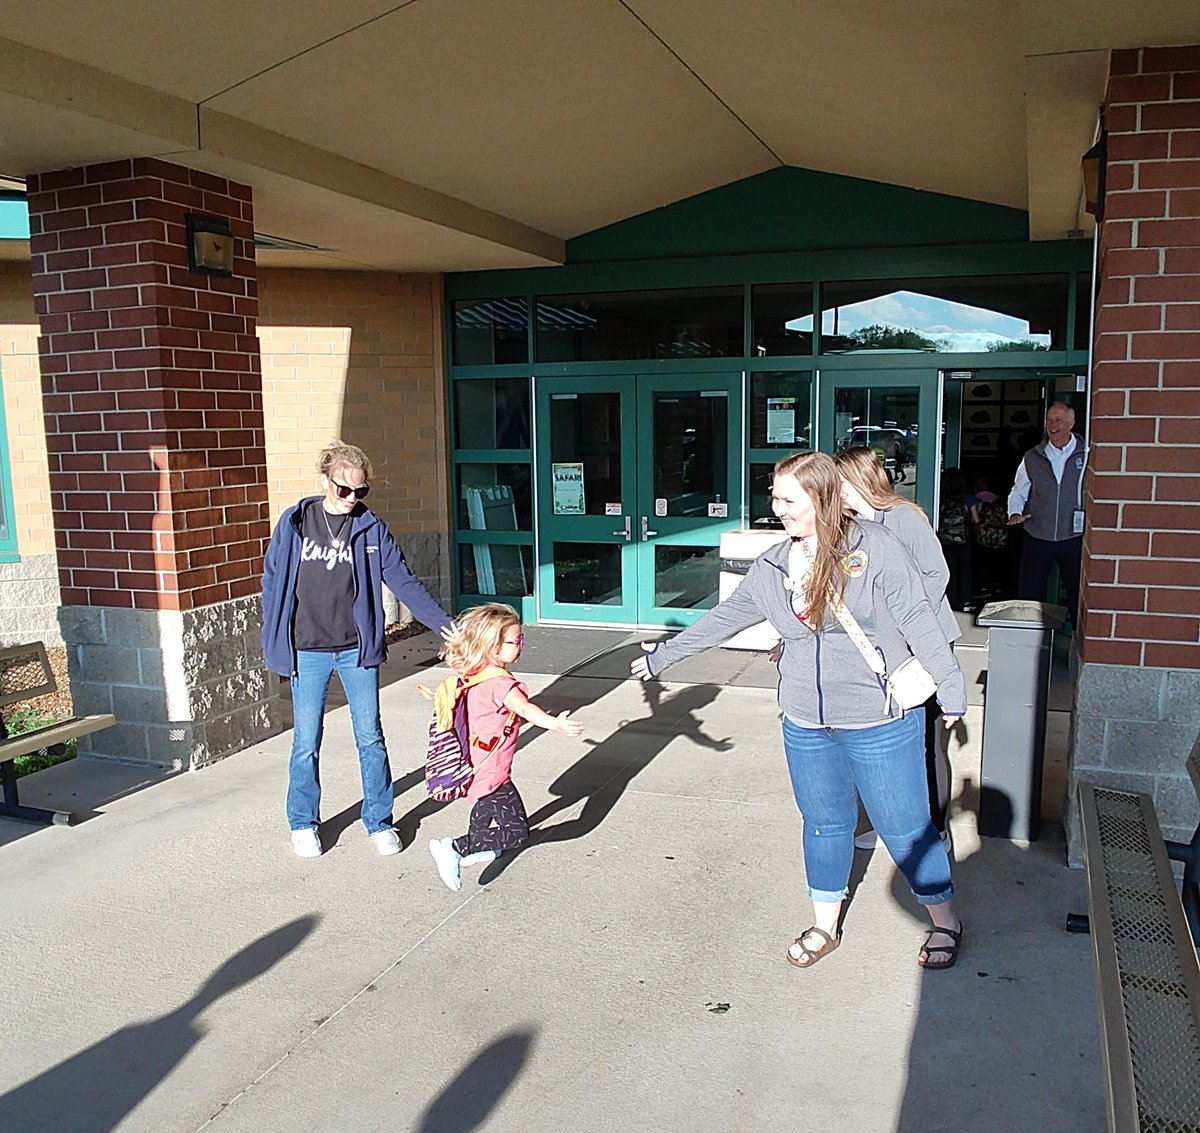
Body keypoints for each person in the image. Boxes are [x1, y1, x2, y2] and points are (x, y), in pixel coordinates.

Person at [631, 451, 967, 972]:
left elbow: (919, 618)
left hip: (879, 718)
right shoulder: (774, 565)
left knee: (904, 827)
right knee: (823, 823)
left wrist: (950, 686)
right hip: (806, 721)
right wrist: (661, 657)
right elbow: (724, 620)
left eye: (788, 498)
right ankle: (824, 924)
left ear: (821, 498)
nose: (776, 507)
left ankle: (944, 919)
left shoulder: (875, 549)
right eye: (774, 496)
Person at [262, 440, 454, 859]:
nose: (351, 499)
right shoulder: (295, 523)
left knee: (370, 737)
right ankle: (303, 820)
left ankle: (379, 820)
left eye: (360, 491)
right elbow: (273, 582)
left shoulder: (370, 528)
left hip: (356, 650)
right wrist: (274, 637)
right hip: (307, 650)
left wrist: (446, 627)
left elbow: (403, 581)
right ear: (325, 480)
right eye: (343, 489)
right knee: (306, 740)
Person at [833, 448, 959, 849]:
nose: (835, 492)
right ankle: (893, 827)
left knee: (926, 743)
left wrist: (905, 623)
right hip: (884, 650)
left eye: (840, 483)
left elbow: (936, 574)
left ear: (861, 480)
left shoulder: (903, 517)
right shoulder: (850, 526)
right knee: (888, 744)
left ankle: (936, 831)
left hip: (922, 645)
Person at [429, 603, 585, 891]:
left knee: (485, 806)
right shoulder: (501, 684)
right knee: (516, 833)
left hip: (479, 763)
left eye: (521, 638)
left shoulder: (475, 674)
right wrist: (555, 724)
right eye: (515, 641)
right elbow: (525, 709)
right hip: (492, 770)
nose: (521, 645)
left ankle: (479, 847)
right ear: (493, 646)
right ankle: (455, 847)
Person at [1007, 401, 1087, 617]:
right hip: (1038, 534)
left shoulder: (1087, 454)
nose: (1052, 425)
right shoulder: (1033, 457)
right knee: (1030, 593)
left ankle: (1076, 640)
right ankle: (1029, 640)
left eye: (1058, 420)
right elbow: (1019, 490)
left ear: (1071, 423)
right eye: (1049, 420)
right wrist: (1014, 512)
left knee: (1078, 594)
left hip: (1074, 536)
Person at [937, 467, 974, 612]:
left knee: (949, 570)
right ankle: (966, 601)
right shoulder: (967, 499)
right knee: (965, 570)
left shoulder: (941, 499)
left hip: (945, 541)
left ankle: (950, 601)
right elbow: (976, 519)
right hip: (964, 540)